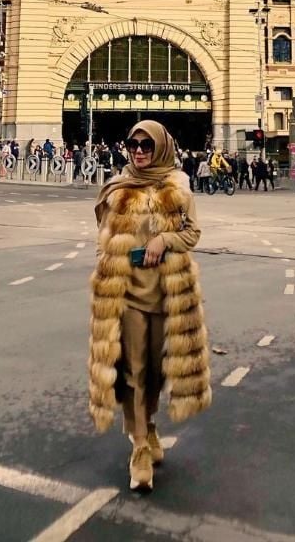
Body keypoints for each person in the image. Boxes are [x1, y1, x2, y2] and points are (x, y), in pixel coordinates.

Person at [88, 121, 211, 493]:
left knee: (157, 372)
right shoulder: (116, 188)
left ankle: (149, 425)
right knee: (134, 371)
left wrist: (164, 239)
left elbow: (193, 233)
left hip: (168, 294)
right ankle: (140, 447)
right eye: (133, 144)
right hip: (126, 294)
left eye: (145, 145)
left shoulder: (178, 186)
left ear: (159, 148)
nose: (138, 151)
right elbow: (104, 238)